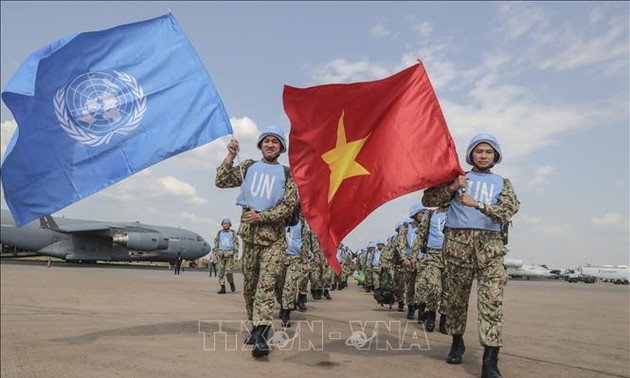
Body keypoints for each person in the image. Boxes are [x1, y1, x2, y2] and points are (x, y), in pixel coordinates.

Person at [422, 133, 520, 378]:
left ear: (495, 155)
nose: (484, 156)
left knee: (492, 301)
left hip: (491, 249)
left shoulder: (503, 183)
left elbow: (507, 211)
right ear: (471, 155)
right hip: (458, 247)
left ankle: (490, 360)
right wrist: (453, 187)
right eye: (479, 151)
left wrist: (478, 205)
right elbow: (428, 198)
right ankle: (457, 342)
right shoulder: (457, 178)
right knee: (456, 299)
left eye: (488, 152)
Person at [215, 127, 299, 359]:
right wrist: (231, 155)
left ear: (281, 148)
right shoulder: (248, 166)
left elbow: (289, 205)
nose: (270, 145)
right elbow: (221, 181)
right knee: (250, 288)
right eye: (266, 141)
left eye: (275, 142)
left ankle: (262, 335)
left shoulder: (288, 173)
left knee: (265, 287)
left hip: (273, 240)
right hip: (250, 238)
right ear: (260, 145)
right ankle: (255, 326)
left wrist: (263, 216)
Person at [416, 206, 448, 333]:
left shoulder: (456, 211)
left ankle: (444, 320)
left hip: (450, 255)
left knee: (448, 290)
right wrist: (414, 255)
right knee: (433, 287)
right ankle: (431, 314)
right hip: (432, 254)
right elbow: (420, 235)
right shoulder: (430, 214)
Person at [275, 210, 309, 328]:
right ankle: (282, 304)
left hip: (296, 258)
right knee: (279, 286)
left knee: (290, 286)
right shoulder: (280, 221)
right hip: (280, 257)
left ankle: (286, 313)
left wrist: (305, 261)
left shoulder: (302, 223)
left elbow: (305, 242)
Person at [214, 218, 239, 294]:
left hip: (229, 255)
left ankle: (231, 283)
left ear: (229, 225)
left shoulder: (233, 233)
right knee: (220, 272)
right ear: (222, 224)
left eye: (227, 223)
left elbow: (236, 244)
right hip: (221, 255)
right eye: (224, 223)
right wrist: (216, 251)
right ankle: (222, 287)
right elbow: (216, 242)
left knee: (228, 272)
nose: (225, 225)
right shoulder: (219, 233)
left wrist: (236, 254)